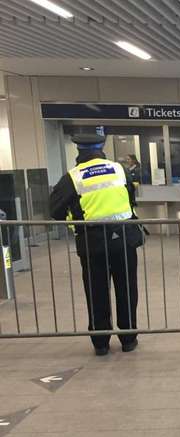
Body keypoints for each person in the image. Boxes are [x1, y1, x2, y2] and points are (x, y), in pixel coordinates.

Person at [49, 133, 142, 356]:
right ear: (102, 148)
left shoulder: (73, 177)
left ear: (79, 151)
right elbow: (130, 198)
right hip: (124, 239)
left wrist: (74, 220)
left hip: (92, 244)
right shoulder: (119, 170)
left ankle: (100, 344)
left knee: (96, 291)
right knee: (127, 288)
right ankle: (129, 339)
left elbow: (55, 211)